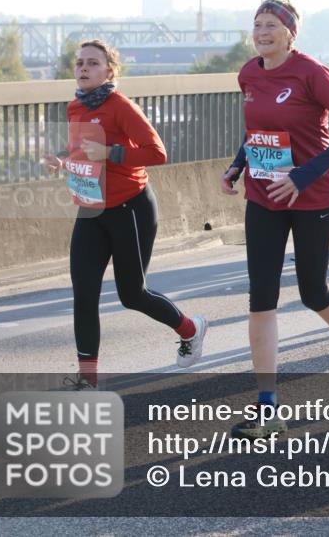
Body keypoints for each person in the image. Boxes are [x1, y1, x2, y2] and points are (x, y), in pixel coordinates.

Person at [220, 0, 329, 438]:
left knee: (312, 291)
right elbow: (257, 133)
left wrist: (303, 176)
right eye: (257, 25)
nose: (262, 32)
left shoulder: (311, 73)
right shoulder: (248, 73)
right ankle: (267, 405)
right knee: (261, 296)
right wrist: (237, 164)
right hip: (264, 196)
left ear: (290, 32)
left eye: (271, 25)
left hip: (312, 196)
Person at [43, 40, 207, 390]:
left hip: (130, 208)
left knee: (132, 294)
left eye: (93, 63)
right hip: (91, 210)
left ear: (109, 71)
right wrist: (61, 159)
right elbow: (82, 150)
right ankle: (88, 381)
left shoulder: (121, 107)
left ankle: (191, 328)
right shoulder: (75, 107)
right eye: (80, 63)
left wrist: (110, 152)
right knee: (84, 294)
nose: (84, 68)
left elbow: (157, 152)